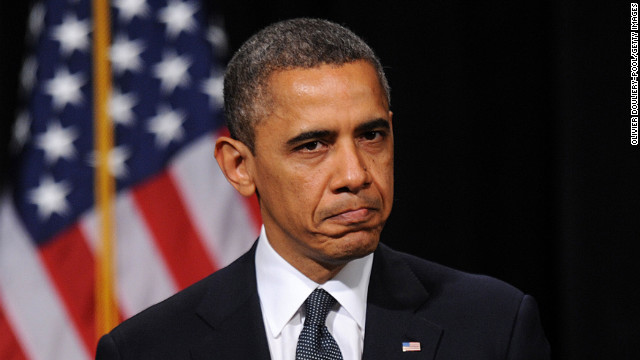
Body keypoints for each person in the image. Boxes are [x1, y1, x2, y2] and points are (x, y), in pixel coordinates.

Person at [96, 18, 550, 359]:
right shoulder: (148, 349)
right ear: (238, 166)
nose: (355, 175)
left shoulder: (494, 326)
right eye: (313, 145)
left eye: (372, 136)